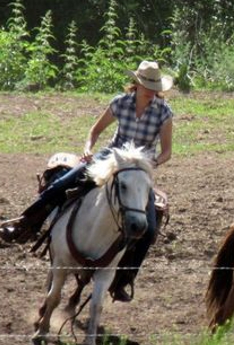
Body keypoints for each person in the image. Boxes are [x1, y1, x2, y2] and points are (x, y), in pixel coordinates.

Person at [0, 60, 174, 302]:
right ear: (136, 83)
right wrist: (88, 149)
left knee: (149, 230)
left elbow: (167, 151)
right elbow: (94, 131)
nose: (150, 90)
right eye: (146, 84)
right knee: (62, 184)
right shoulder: (120, 103)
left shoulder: (164, 112)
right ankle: (26, 223)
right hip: (110, 157)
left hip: (137, 168)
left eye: (154, 86)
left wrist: (148, 164)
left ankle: (124, 279)